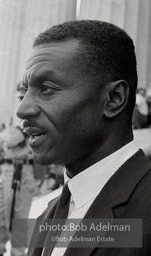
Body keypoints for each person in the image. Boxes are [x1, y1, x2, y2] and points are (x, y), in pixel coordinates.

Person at [17, 20, 151, 256]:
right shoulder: (45, 217)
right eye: (25, 91)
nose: (22, 109)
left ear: (113, 99)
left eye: (46, 88)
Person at [0, 82, 37, 256]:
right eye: (21, 97)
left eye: (25, 96)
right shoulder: (20, 117)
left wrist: (5, 135)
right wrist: (5, 136)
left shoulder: (32, 115)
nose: (23, 100)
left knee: (18, 221)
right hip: (7, 168)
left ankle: (18, 254)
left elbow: (8, 140)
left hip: (21, 171)